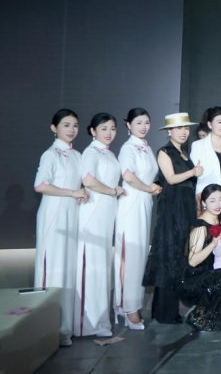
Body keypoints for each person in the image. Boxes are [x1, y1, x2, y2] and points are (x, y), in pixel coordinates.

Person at [34, 109, 87, 347]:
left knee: (67, 269)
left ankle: (65, 327)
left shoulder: (77, 155)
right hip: (53, 215)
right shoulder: (50, 154)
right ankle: (47, 330)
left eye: (75, 125)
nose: (71, 129)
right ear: (54, 128)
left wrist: (81, 194)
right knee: (52, 269)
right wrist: (72, 192)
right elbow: (40, 185)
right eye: (66, 125)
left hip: (71, 215)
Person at [143, 112, 201, 325]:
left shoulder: (184, 153)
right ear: (169, 131)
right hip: (171, 211)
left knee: (178, 258)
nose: (183, 132)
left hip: (185, 210)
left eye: (186, 128)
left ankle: (171, 311)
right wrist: (193, 172)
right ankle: (163, 313)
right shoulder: (164, 152)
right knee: (168, 257)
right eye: (178, 128)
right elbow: (170, 178)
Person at [75, 113, 122, 338]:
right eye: (103, 128)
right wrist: (113, 191)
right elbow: (88, 180)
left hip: (106, 212)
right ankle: (87, 323)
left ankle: (100, 320)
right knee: (91, 265)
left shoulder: (109, 153)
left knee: (102, 266)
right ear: (93, 131)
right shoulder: (91, 152)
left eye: (112, 128)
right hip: (93, 212)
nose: (109, 133)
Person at [115, 108, 160, 330]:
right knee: (130, 256)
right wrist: (148, 188)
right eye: (138, 122)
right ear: (128, 125)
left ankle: (132, 304)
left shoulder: (146, 146)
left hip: (144, 203)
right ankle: (128, 308)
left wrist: (152, 188)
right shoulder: (128, 148)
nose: (143, 127)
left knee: (140, 256)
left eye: (146, 122)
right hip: (131, 203)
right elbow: (128, 176)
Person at [179, 185, 221, 331]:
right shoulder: (200, 226)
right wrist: (212, 244)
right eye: (212, 201)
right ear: (204, 202)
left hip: (213, 271)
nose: (218, 204)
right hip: (195, 279)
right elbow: (192, 261)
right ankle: (198, 315)